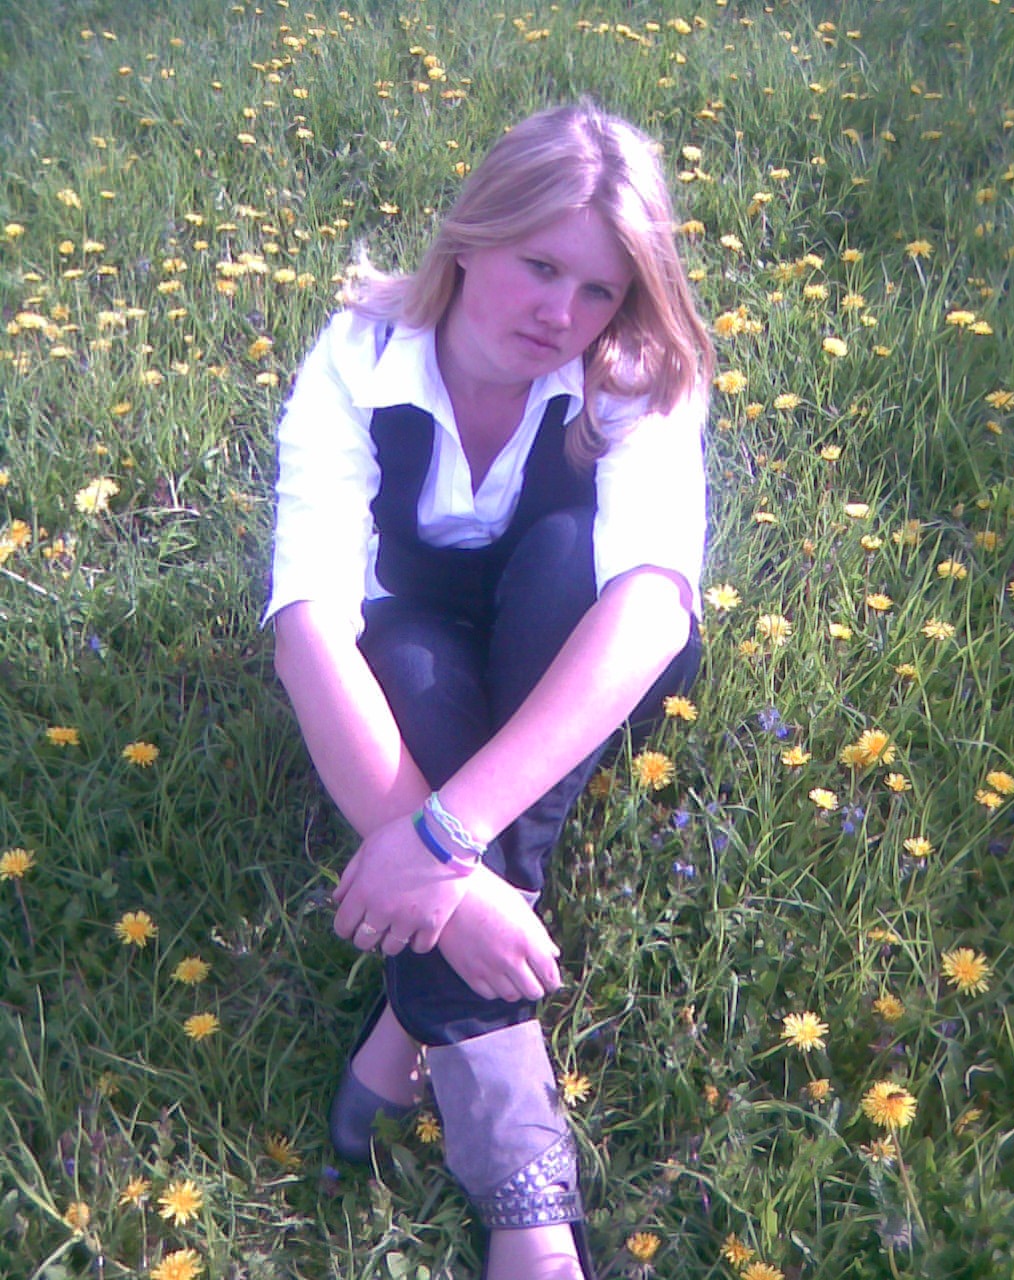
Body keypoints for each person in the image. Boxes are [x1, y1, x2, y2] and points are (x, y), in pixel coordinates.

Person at [266, 101, 712, 1280]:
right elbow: (308, 622)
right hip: (410, 641)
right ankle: (525, 1184)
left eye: (599, 288)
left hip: (576, 650)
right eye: (540, 265)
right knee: (410, 663)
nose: (562, 313)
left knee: (574, 560)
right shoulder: (360, 357)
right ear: (471, 236)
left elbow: (652, 606)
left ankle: (423, 1051)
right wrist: (459, 898)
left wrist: (437, 840)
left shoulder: (635, 374)